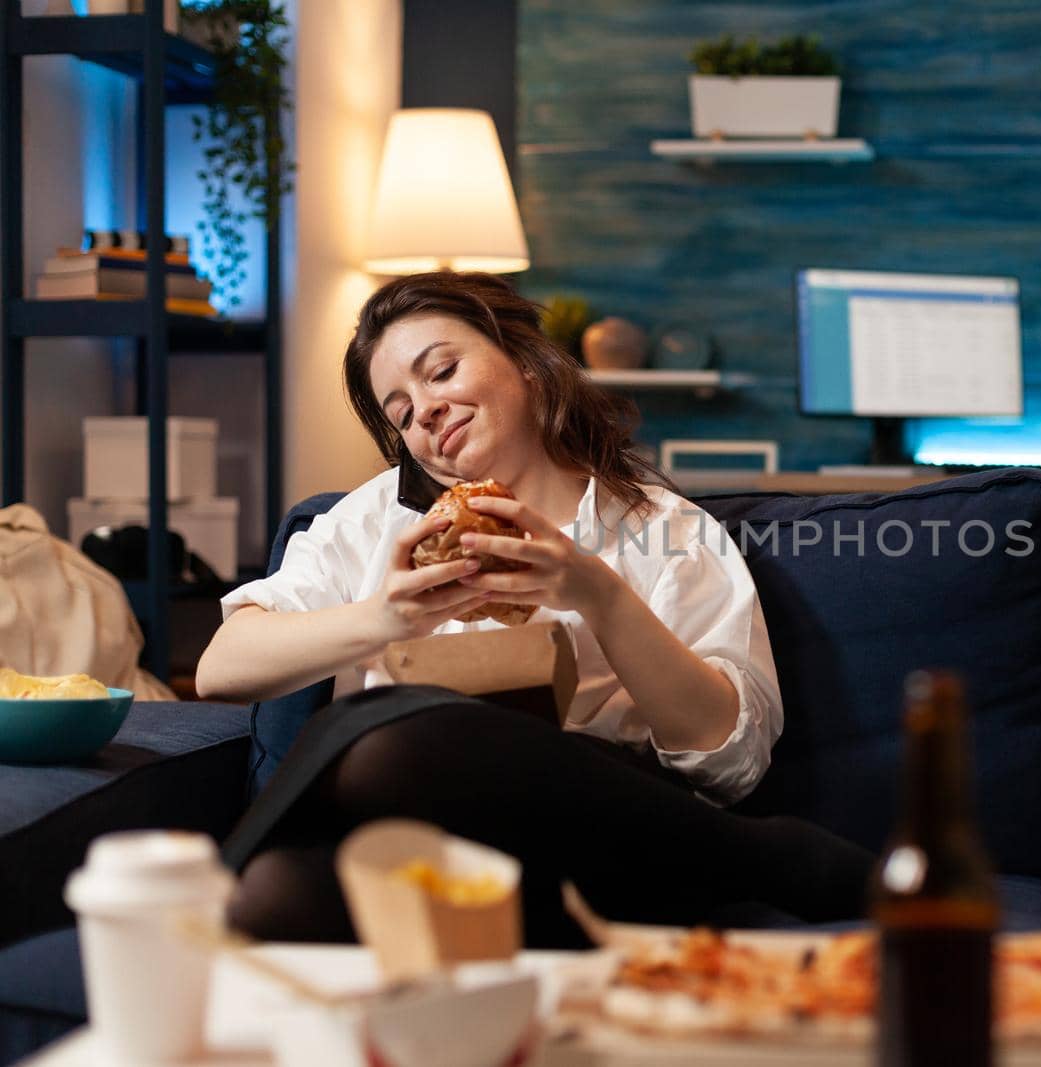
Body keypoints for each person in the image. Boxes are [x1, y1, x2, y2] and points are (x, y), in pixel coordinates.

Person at [196, 271, 872, 945]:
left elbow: (730, 758)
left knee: (396, 742)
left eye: (442, 371)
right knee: (271, 895)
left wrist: (595, 592)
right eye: (400, 412)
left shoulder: (661, 528)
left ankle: (764, 858)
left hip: (602, 833)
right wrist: (385, 617)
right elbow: (221, 668)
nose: (425, 411)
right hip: (436, 854)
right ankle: (756, 861)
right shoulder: (374, 522)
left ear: (525, 361)